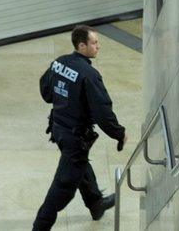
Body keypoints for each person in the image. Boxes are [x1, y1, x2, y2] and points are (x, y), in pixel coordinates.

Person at [32, 25, 128, 229]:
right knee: (61, 189)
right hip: (75, 138)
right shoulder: (89, 75)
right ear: (81, 46)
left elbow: (46, 92)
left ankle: (96, 203)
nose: (98, 46)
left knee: (80, 164)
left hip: (58, 129)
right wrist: (119, 133)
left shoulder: (59, 63)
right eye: (94, 43)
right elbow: (102, 111)